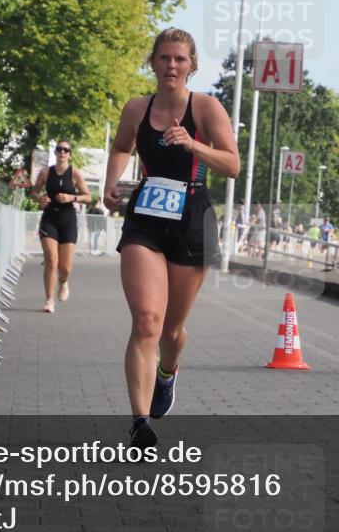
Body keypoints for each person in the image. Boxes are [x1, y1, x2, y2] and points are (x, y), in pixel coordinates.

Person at [103, 28, 240, 449]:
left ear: (192, 65)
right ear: (153, 62)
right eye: (164, 58)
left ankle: (167, 372)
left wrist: (193, 145)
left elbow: (233, 165)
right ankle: (139, 423)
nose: (171, 65)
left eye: (180, 59)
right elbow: (122, 147)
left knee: (172, 330)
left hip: (192, 218)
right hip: (145, 216)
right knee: (147, 320)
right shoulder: (136, 108)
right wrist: (111, 182)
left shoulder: (206, 107)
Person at [30, 141, 91, 313]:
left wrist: (72, 198)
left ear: (70, 154)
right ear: (55, 152)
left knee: (65, 267)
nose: (62, 152)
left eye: (66, 150)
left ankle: (63, 282)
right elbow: (34, 191)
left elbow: (87, 197)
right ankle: (49, 300)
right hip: (50, 218)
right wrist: (40, 199)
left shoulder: (74, 173)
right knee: (51, 259)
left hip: (68, 220)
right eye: (59, 149)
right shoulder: (46, 172)